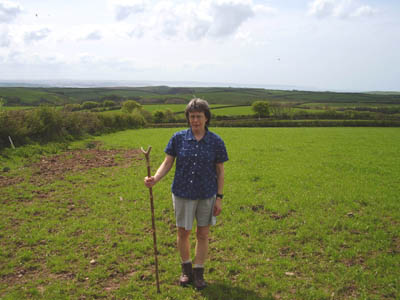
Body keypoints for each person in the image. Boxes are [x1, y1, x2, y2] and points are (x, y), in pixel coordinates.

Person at [144, 98, 228, 290]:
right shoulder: (178, 138)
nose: (195, 120)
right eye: (192, 117)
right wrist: (155, 179)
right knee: (183, 232)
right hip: (182, 193)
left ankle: (199, 272)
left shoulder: (216, 141)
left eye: (199, 116)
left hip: (207, 194)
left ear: (206, 118)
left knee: (203, 234)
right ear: (188, 118)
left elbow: (220, 171)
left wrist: (219, 198)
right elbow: (167, 162)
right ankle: (186, 270)